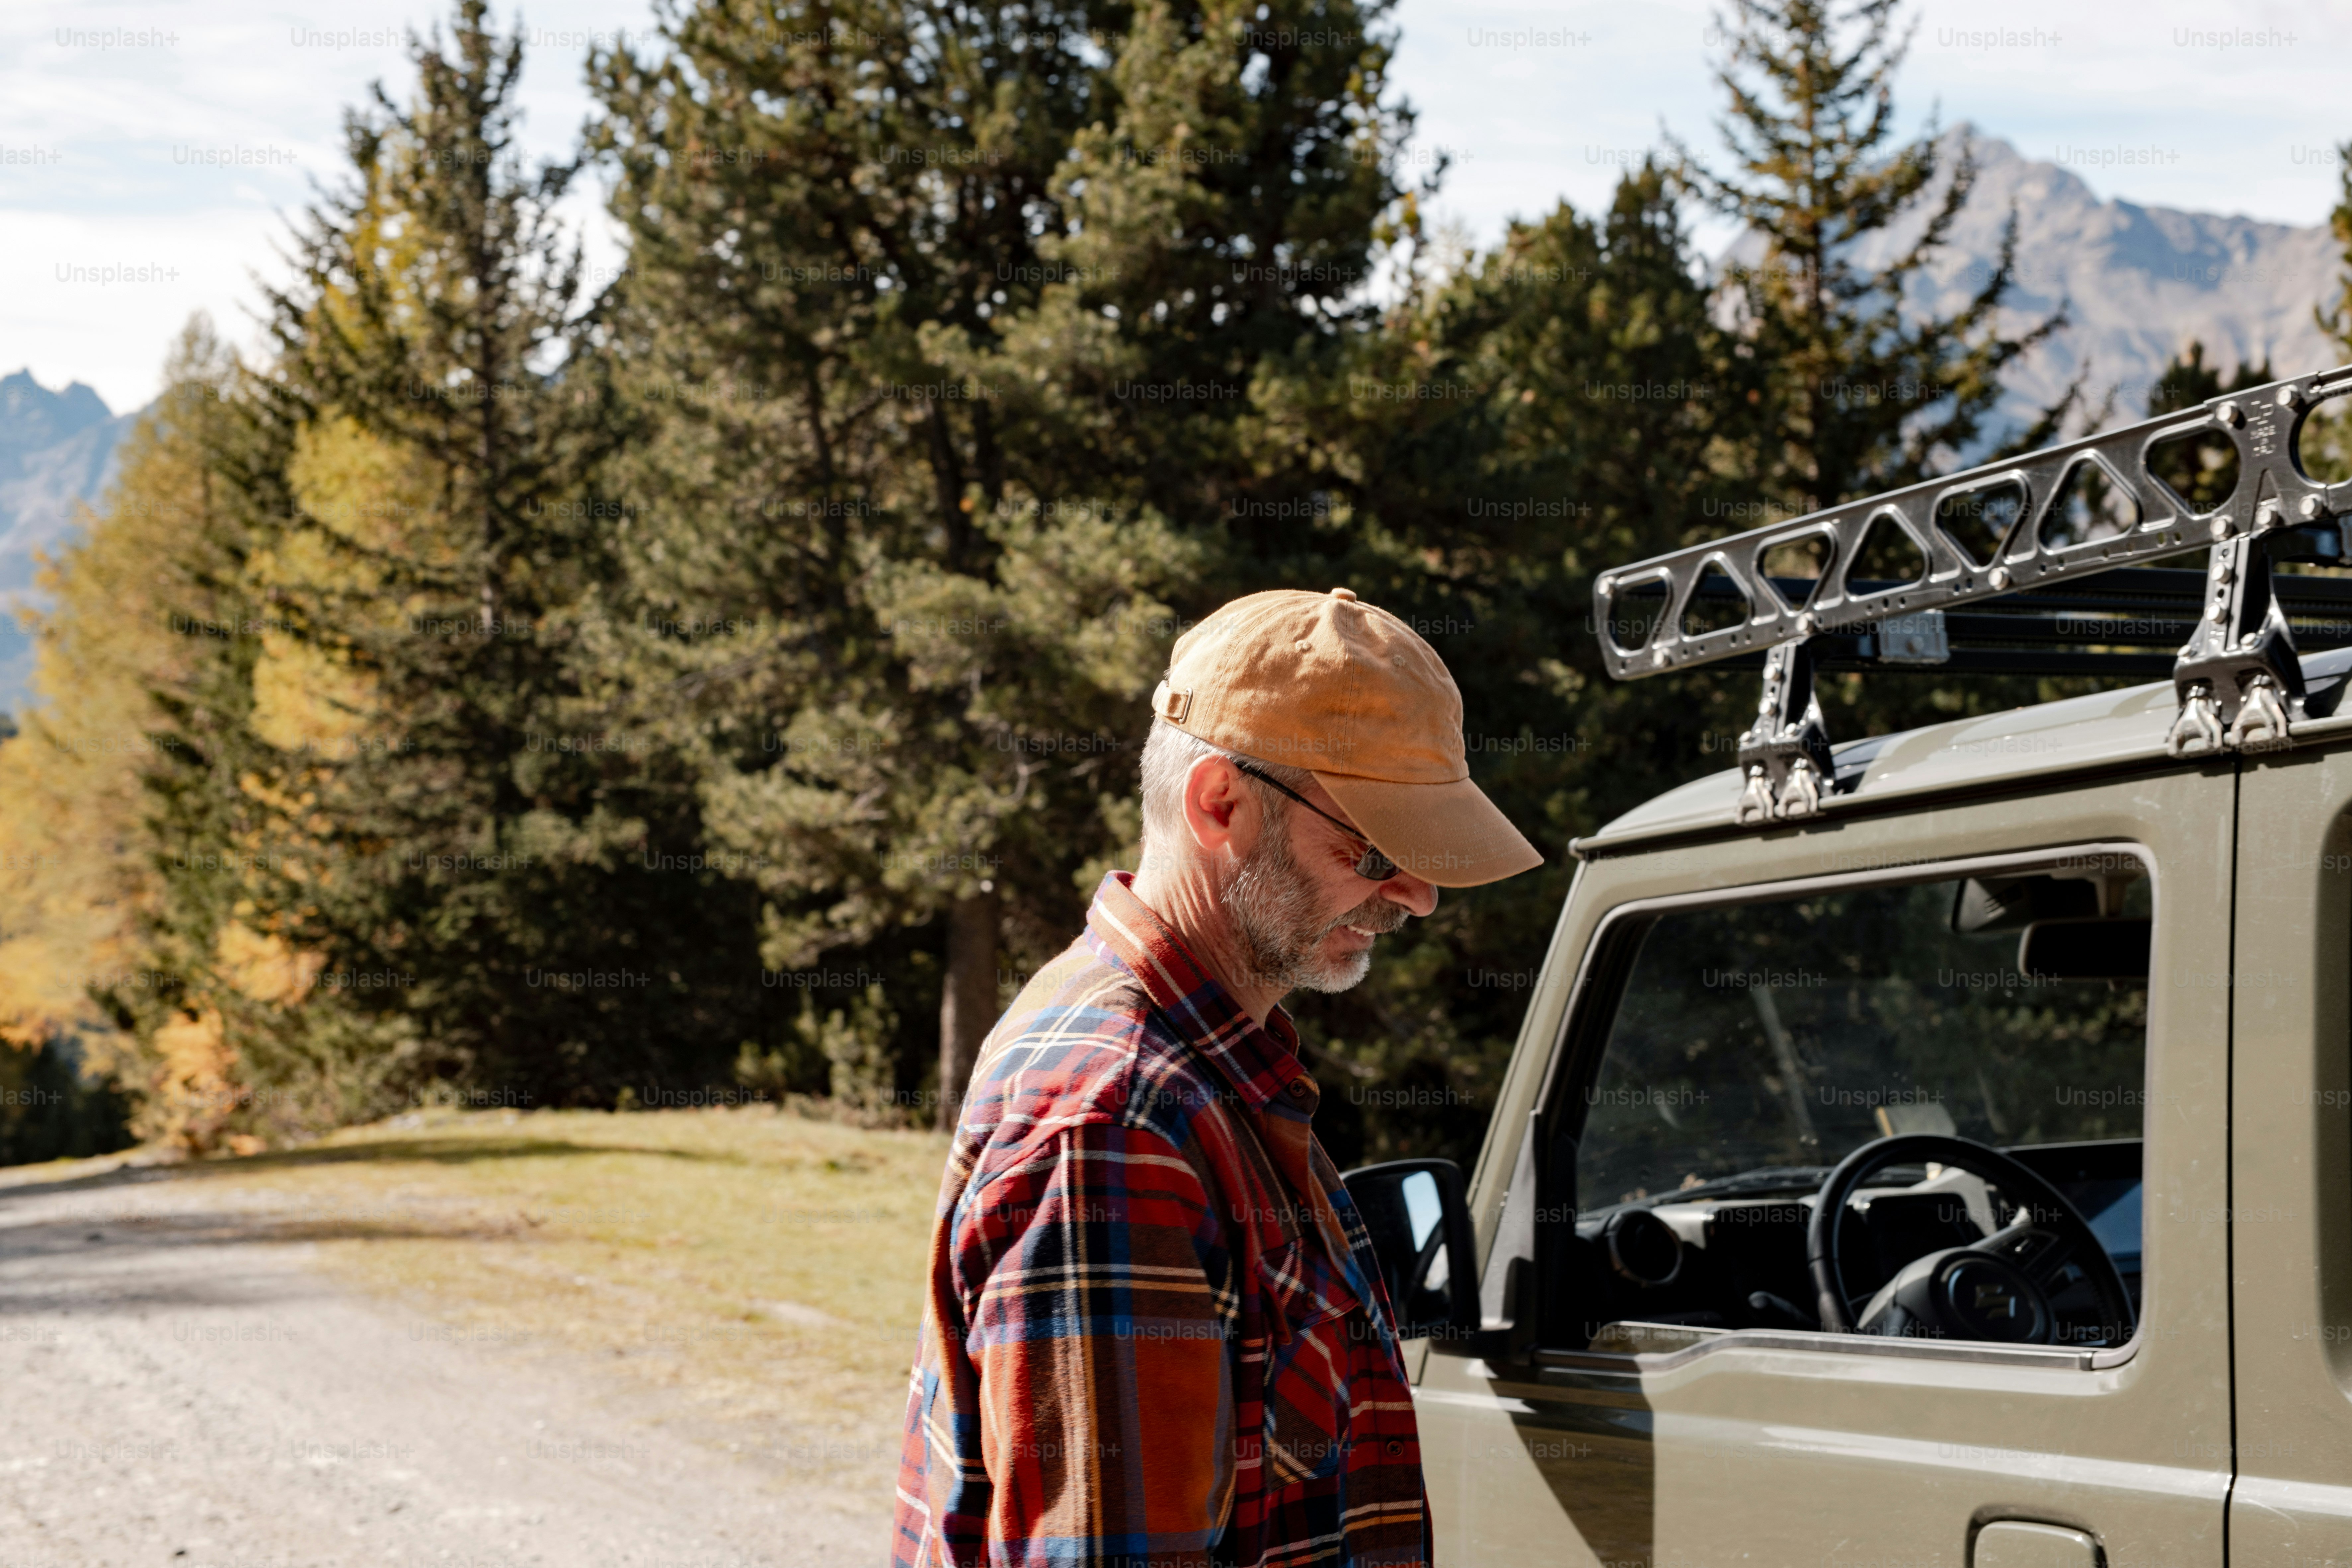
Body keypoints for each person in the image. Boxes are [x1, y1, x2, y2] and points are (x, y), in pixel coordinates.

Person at [891, 587, 1543, 1568]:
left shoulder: (1210, 1064)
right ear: (1220, 802)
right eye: (1375, 848)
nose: (1419, 894)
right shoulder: (1116, 1126)